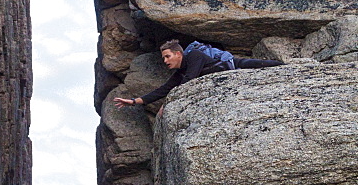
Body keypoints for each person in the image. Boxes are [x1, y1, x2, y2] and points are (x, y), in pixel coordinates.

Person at [113, 39, 282, 110]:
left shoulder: (194, 56)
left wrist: (168, 103)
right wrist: (133, 101)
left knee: (263, 65)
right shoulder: (181, 72)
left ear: (178, 54)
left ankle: (288, 67)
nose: (165, 61)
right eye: (164, 57)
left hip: (234, 66)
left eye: (167, 56)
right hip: (228, 78)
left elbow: (190, 80)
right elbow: (162, 90)